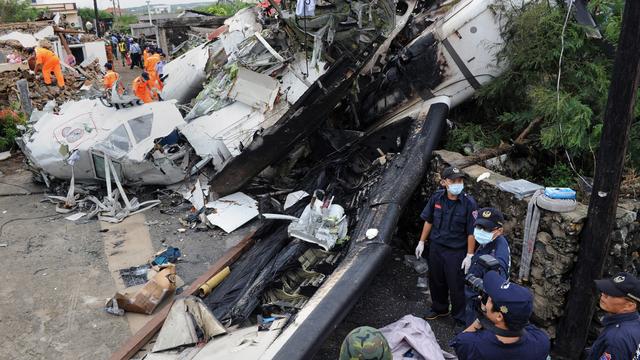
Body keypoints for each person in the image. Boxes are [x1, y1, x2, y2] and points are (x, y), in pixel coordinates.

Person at [415, 166, 477, 331]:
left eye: (460, 180)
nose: (458, 183)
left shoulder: (469, 203)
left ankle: (460, 318)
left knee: (456, 286)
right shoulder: (437, 198)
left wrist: (470, 254)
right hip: (436, 247)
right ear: (444, 182)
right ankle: (439, 308)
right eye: (454, 181)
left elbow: (472, 231)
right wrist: (422, 241)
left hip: (456, 252)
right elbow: (428, 220)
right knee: (436, 281)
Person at [450, 271, 551, 359]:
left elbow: (460, 340)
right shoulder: (541, 342)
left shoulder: (472, 345)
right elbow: (522, 324)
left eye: (489, 300)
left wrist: (480, 319)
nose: (486, 301)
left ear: (499, 316)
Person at [464, 207, 511, 326]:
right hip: (472, 295)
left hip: (480, 304)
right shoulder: (488, 241)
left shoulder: (498, 253)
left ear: (499, 231)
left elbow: (497, 287)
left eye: (486, 229)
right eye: (478, 227)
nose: (480, 231)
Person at [588, 272, 640, 359]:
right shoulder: (635, 321)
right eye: (606, 290)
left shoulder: (616, 338)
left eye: (612, 293)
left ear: (629, 305)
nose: (603, 294)